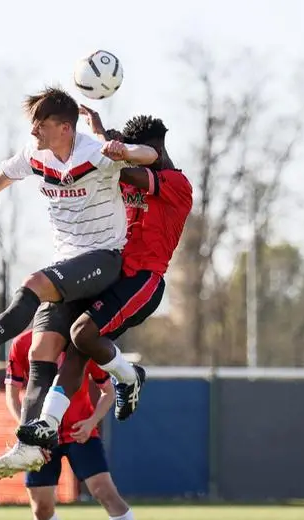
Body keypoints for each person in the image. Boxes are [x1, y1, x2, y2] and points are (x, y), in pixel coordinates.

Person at [0, 87, 158, 474]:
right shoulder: (36, 156)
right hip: (67, 266)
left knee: (33, 283)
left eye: (41, 125)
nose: (34, 132)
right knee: (40, 353)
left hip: (102, 260)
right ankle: (27, 444)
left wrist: (125, 150)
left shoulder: (94, 152)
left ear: (65, 127)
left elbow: (149, 159)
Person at [15, 111, 194, 450]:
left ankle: (128, 375)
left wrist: (104, 150)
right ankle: (49, 424)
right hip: (109, 274)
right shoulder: (126, 172)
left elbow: (122, 168)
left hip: (143, 281)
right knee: (76, 348)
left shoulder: (176, 183)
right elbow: (112, 163)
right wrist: (102, 139)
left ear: (152, 149)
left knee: (83, 333)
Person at [3, 329, 151, 520]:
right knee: (41, 507)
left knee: (105, 492)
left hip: (78, 434)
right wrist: (30, 432)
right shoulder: (22, 344)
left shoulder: (82, 342)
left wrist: (91, 421)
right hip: (41, 440)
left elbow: (108, 391)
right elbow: (12, 393)